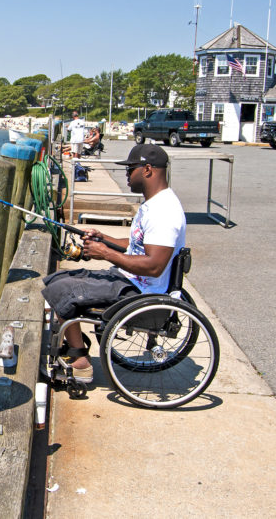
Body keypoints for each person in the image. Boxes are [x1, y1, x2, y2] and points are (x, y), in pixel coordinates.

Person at [41, 144, 186, 382]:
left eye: (131, 169)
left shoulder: (164, 212)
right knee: (57, 278)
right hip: (129, 280)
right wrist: (103, 239)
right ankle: (74, 346)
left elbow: (153, 266)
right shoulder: (154, 204)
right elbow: (135, 245)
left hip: (138, 291)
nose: (127, 175)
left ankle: (80, 364)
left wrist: (105, 254)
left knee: (61, 289)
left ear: (147, 170)